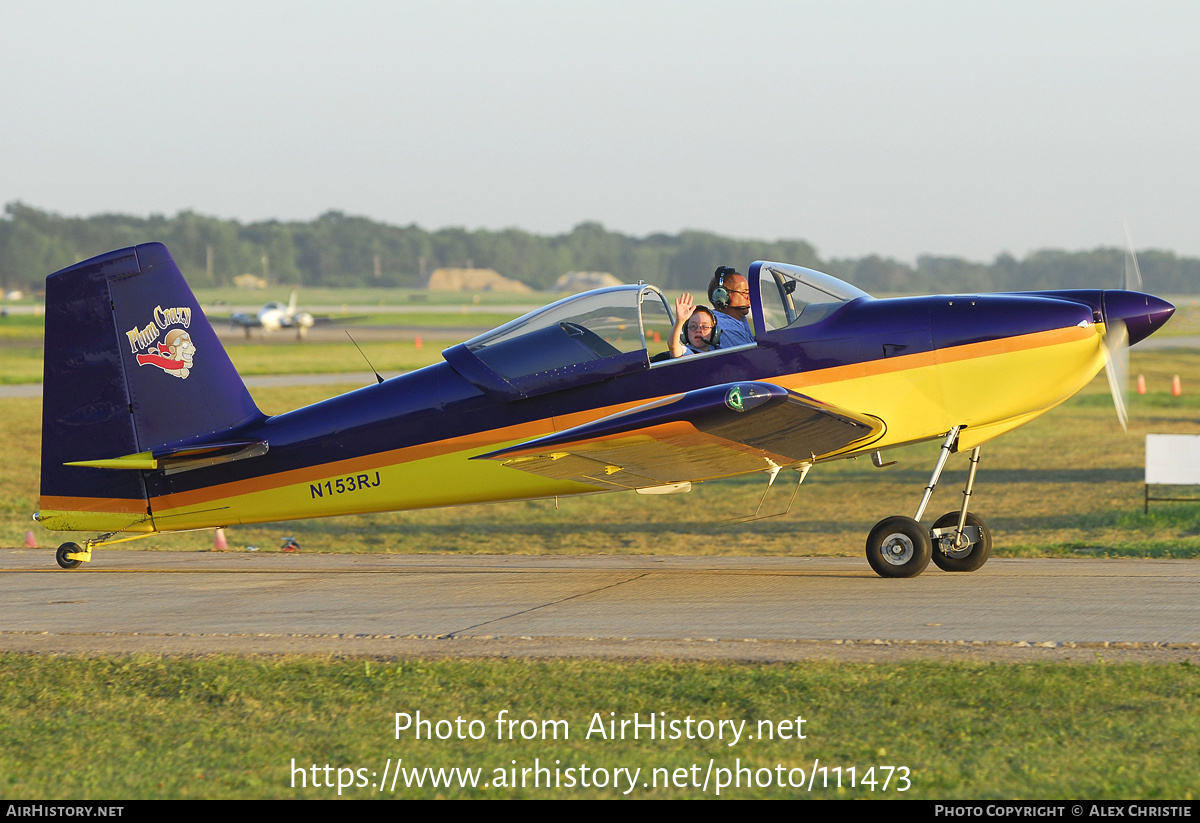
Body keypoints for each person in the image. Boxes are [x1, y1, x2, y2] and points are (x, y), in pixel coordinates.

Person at [707, 266, 754, 348]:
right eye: (744, 292)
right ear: (722, 296)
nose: (748, 297)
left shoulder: (735, 321)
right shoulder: (727, 328)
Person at [667, 292, 719, 357]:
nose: (698, 330)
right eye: (693, 326)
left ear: (715, 332)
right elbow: (673, 346)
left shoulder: (718, 352)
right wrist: (680, 321)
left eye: (705, 327)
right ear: (685, 332)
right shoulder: (686, 352)